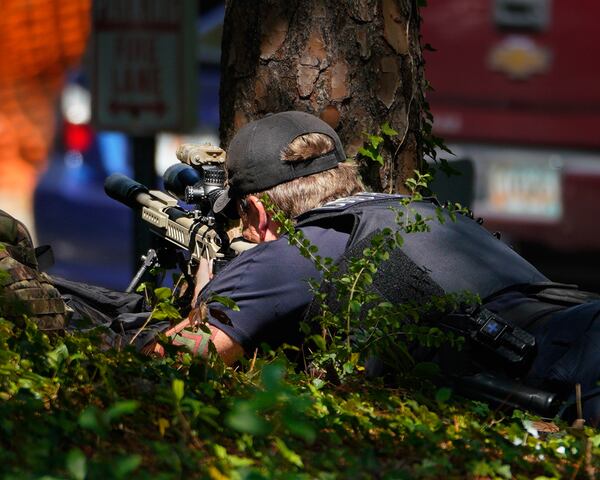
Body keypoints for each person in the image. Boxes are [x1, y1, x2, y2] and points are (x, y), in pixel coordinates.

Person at [147, 111, 600, 424]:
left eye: (241, 220)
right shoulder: (418, 212)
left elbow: (171, 360)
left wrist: (207, 292)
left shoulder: (294, 253)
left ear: (258, 212)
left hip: (558, 380)